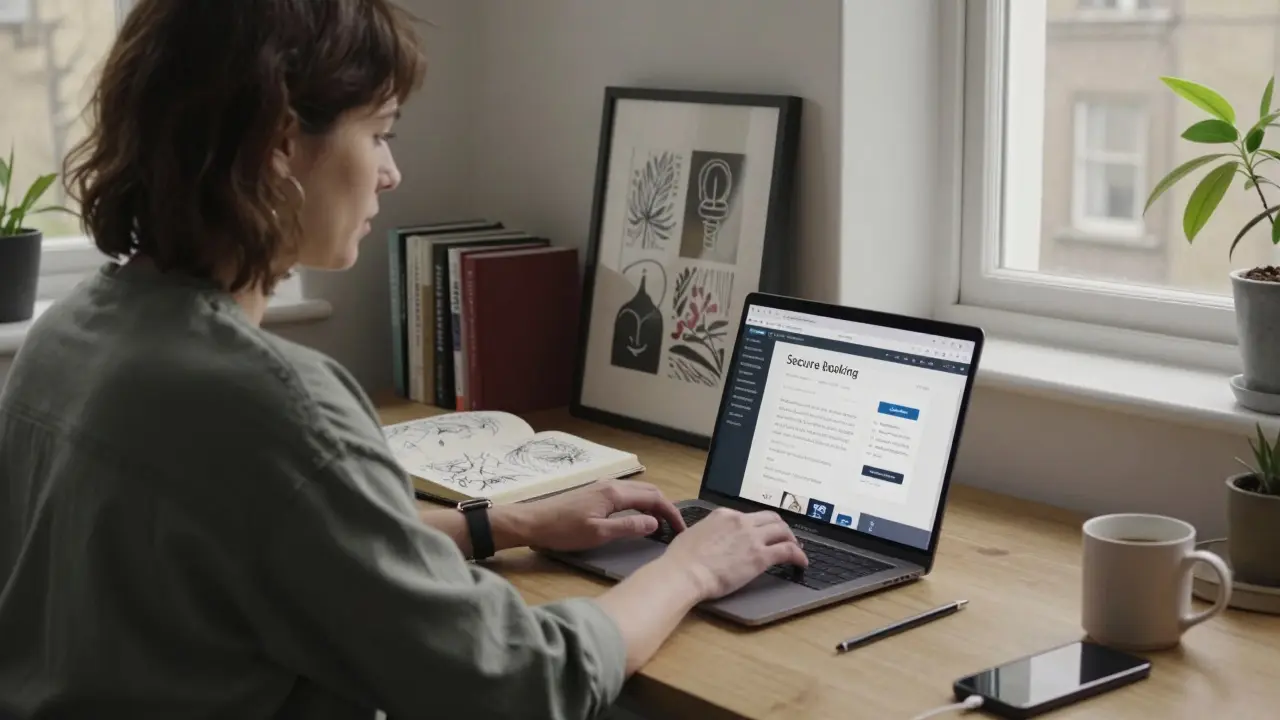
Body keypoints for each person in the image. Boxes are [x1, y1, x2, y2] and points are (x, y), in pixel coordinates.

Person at [0, 1, 809, 718]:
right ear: (283, 143)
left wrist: (504, 524)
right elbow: (519, 683)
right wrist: (692, 569)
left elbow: (259, 539)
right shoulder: (272, 404)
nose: (391, 171)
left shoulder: (71, 334)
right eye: (379, 133)